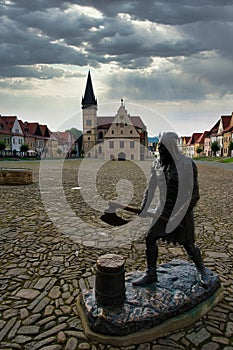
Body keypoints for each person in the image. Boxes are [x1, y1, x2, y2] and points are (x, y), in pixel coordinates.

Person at [133, 132, 208, 286]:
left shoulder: (187, 165)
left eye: (163, 149)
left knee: (189, 245)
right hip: (162, 210)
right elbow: (151, 188)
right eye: (159, 149)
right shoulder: (157, 163)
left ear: (172, 149)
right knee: (150, 237)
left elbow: (194, 195)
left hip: (182, 212)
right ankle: (151, 273)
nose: (160, 152)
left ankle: (202, 270)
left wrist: (178, 216)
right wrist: (144, 206)